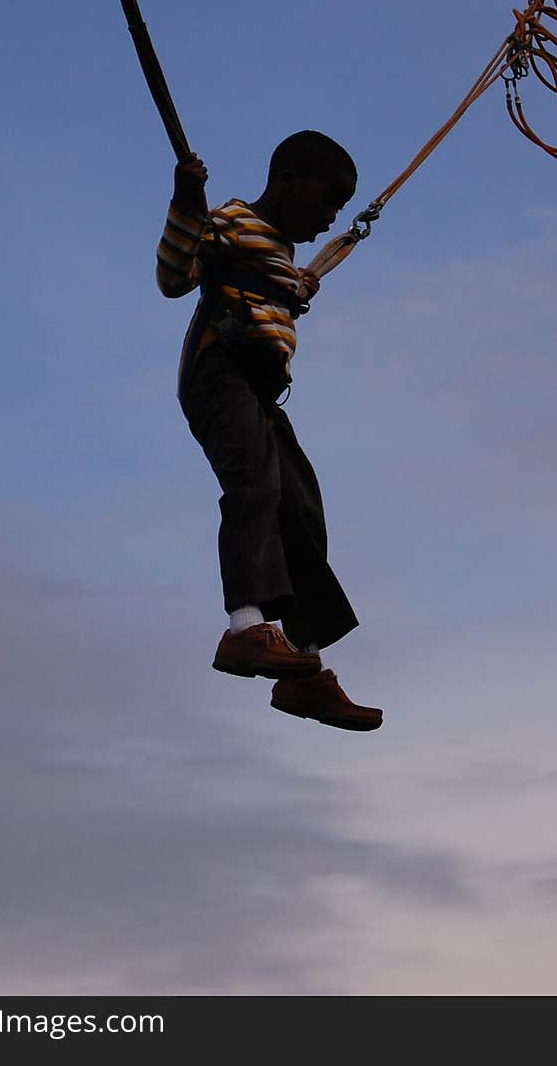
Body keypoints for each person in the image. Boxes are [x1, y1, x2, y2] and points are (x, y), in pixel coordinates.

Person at [156, 129, 383, 731]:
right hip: (218, 371)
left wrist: (299, 282)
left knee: (301, 506)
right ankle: (245, 627)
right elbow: (174, 277)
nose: (332, 213)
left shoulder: (279, 253)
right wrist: (186, 203)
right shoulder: (230, 220)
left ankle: (304, 670)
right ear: (289, 182)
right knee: (255, 484)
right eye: (328, 199)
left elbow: (282, 287)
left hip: (256, 389)